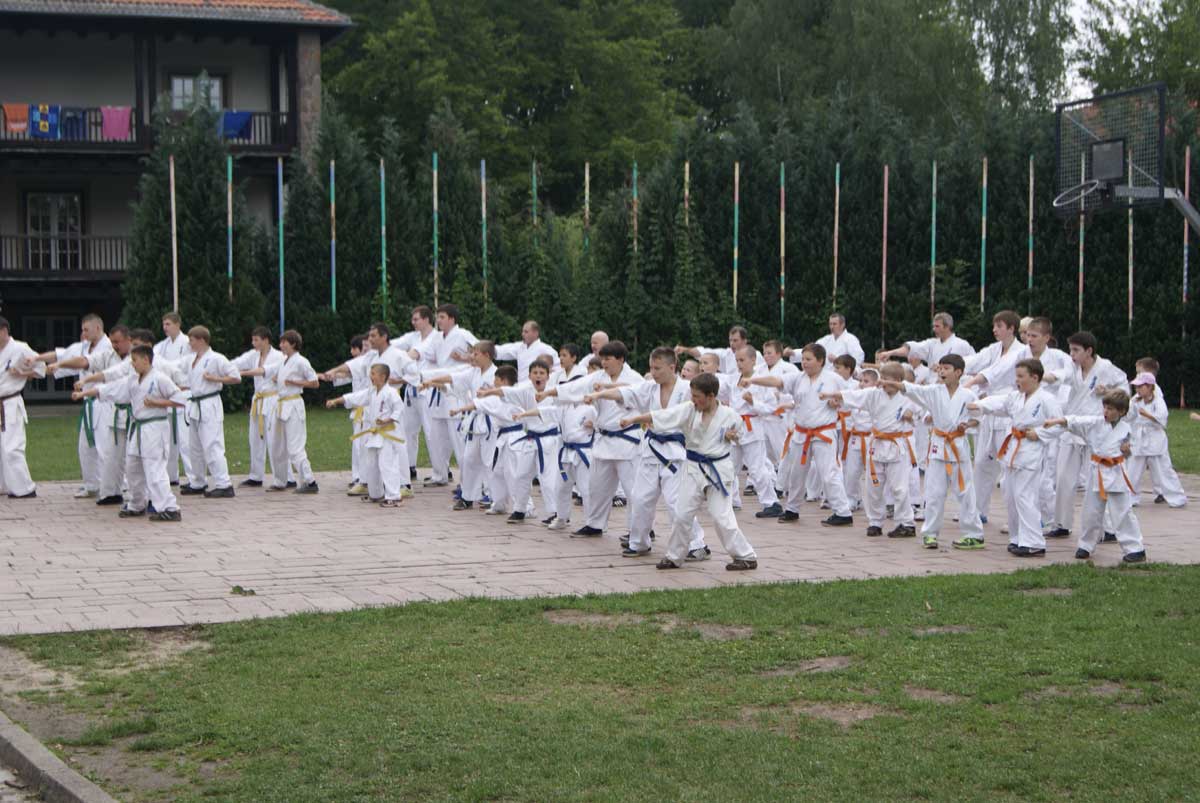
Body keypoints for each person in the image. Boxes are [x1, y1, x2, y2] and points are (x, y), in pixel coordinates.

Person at [618, 372, 759, 571]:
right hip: (692, 468)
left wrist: (732, 436)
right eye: (692, 395)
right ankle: (674, 556)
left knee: (721, 516)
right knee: (681, 514)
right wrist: (633, 419)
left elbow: (740, 435)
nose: (693, 399)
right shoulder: (689, 409)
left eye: (697, 396)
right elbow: (663, 415)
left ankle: (746, 556)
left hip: (718, 469)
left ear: (711, 396)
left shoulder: (729, 415)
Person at [584, 347, 697, 557]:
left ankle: (696, 544)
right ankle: (639, 542)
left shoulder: (688, 389)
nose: (653, 373)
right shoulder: (649, 388)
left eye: (658, 368)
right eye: (651, 368)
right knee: (640, 498)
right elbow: (623, 393)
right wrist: (598, 394)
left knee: (676, 501)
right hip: (651, 450)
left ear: (672, 367)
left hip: (676, 453)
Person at [745, 343, 854, 526]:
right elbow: (776, 381)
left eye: (808, 359)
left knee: (829, 473)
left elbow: (849, 397)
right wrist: (753, 380)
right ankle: (792, 509)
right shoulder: (797, 378)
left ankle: (843, 512)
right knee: (796, 473)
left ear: (820, 361)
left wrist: (837, 403)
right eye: (803, 359)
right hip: (801, 432)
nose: (804, 362)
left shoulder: (833, 379)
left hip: (824, 432)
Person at [73, 345, 185, 521]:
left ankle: (169, 508)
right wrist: (84, 393)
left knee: (154, 469)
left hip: (155, 428)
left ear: (146, 360)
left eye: (134, 360)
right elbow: (111, 389)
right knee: (132, 468)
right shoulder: (132, 380)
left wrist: (158, 403)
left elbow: (180, 399)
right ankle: (137, 504)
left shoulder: (160, 379)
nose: (132, 364)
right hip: (138, 428)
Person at [882, 354, 982, 549]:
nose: (942, 371)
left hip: (958, 446)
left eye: (947, 368)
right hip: (938, 447)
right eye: (940, 368)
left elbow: (977, 418)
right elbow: (913, 389)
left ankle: (974, 534)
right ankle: (930, 534)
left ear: (959, 372)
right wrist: (893, 383)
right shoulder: (934, 391)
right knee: (933, 492)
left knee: (965, 492)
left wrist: (967, 424)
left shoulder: (968, 395)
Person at [545, 340, 643, 537]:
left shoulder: (634, 378)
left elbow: (634, 390)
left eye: (608, 359)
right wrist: (549, 392)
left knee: (633, 490)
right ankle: (595, 524)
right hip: (604, 440)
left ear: (621, 359)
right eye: (602, 359)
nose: (604, 362)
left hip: (627, 441)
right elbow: (575, 387)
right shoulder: (597, 377)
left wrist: (604, 388)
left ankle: (640, 529)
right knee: (597, 487)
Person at [966, 358, 1062, 556]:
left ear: (1034, 377)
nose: (1017, 380)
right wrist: (978, 405)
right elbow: (998, 403)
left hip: (1031, 452)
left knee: (1024, 497)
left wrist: (1040, 434)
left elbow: (1059, 425)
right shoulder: (1015, 397)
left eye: (1020, 376)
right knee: (1010, 495)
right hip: (1013, 451)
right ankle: (1017, 538)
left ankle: (1034, 542)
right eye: (1016, 376)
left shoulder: (1047, 399)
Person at [1044, 391, 1146, 563]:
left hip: (1116, 473)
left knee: (1122, 512)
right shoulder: (1095, 423)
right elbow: (1075, 421)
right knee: (1091, 512)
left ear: (1121, 412)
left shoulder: (1127, 429)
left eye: (1110, 409)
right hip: (1096, 472)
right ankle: (1086, 545)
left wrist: (1127, 450)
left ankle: (1135, 548)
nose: (1105, 412)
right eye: (1104, 407)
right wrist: (1057, 421)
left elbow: (1133, 449)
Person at [1045, 332, 1128, 539]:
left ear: (1089, 351)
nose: (1072, 354)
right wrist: (1044, 375)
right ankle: (1061, 523)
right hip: (1073, 428)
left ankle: (1108, 528)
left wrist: (1108, 391)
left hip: (1096, 430)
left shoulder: (1106, 367)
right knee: (1063, 478)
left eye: (1076, 350)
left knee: (1098, 480)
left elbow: (1124, 389)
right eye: (1070, 350)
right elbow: (1060, 376)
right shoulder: (1072, 368)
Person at [820, 363, 917, 539]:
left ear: (898, 380)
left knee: (900, 488)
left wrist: (911, 415)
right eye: (882, 378)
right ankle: (875, 522)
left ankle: (906, 523)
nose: (883, 382)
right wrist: (830, 395)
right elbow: (852, 395)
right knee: (873, 487)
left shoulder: (907, 395)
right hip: (877, 444)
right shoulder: (874, 394)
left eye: (887, 379)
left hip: (896, 446)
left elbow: (919, 409)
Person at [961, 310, 1031, 528]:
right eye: (994, 326)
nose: (994, 330)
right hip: (990, 411)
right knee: (982, 463)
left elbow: (996, 370)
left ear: (1011, 328)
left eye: (999, 326)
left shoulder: (1021, 351)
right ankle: (978, 511)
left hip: (1008, 410)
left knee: (1008, 466)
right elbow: (976, 360)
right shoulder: (994, 349)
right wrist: (953, 364)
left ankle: (1017, 518)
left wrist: (970, 383)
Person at [50, 323, 132, 506]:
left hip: (128, 409)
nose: (114, 345)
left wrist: (87, 380)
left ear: (129, 340)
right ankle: (103, 488)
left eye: (118, 342)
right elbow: (85, 361)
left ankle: (127, 489)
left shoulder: (137, 357)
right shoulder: (108, 355)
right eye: (113, 342)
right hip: (107, 406)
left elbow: (111, 374)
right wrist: (60, 364)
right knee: (98, 451)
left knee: (123, 454)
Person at [36, 314, 112, 498]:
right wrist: (36, 362)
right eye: (82, 329)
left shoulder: (108, 348)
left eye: (86, 330)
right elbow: (61, 355)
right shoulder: (84, 346)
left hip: (104, 402)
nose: (83, 333)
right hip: (88, 404)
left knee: (105, 447)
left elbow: (75, 361)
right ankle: (92, 485)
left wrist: (58, 364)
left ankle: (114, 486)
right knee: (85, 447)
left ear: (98, 328)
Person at [422, 340, 498, 511]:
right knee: (468, 460)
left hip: (490, 423)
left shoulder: (496, 374)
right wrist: (431, 380)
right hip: (475, 423)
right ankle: (468, 497)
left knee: (488, 462)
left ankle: (492, 495)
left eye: (476, 354)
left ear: (486, 355)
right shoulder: (473, 372)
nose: (472, 357)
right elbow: (452, 377)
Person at [411, 304, 477, 486]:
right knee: (435, 436)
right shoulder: (437, 338)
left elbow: (483, 352)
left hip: (456, 389)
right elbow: (426, 354)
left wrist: (464, 358)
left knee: (458, 439)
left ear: (452, 319)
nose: (438, 321)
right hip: (437, 389)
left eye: (442, 317)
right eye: (438, 317)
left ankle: (468, 482)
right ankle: (440, 474)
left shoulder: (463, 334)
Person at [326, 363, 406, 507]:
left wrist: (388, 420)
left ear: (383, 376)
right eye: (371, 373)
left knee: (387, 465)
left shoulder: (391, 393)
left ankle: (394, 497)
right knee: (372, 465)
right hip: (374, 434)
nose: (371, 376)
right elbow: (355, 397)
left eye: (373, 373)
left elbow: (399, 409)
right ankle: (376, 494)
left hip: (387, 435)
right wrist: (336, 401)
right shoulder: (371, 392)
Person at [1023, 317, 1073, 531]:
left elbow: (1070, 373)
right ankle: (1031, 517)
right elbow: (998, 370)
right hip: (1026, 423)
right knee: (1021, 476)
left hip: (1048, 422)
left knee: (1046, 477)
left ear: (1046, 337)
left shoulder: (1059, 357)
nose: (1029, 340)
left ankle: (1052, 520)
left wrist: (1050, 376)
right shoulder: (1021, 355)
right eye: (1027, 335)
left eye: (1034, 336)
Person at [181, 325, 240, 498]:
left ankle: (224, 483)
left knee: (212, 445)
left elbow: (236, 376)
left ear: (201, 340)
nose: (190, 343)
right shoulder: (192, 359)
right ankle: (198, 482)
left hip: (209, 405)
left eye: (192, 340)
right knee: (194, 447)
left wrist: (215, 378)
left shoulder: (216, 358)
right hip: (195, 405)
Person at [263, 330, 319, 493]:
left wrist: (295, 382)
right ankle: (281, 480)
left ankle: (310, 481)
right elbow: (267, 371)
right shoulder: (283, 362)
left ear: (293, 344)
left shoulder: (301, 361)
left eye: (284, 342)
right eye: (280, 342)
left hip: (293, 405)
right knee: (277, 446)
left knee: (295, 447)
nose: (281, 345)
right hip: (281, 406)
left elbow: (314, 382)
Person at [232, 327, 285, 488]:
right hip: (258, 400)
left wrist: (243, 373)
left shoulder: (279, 356)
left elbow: (264, 371)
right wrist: (222, 367)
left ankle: (285, 477)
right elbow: (236, 363)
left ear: (266, 340)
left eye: (256, 340)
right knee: (254, 438)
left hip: (272, 399)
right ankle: (256, 476)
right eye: (253, 340)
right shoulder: (253, 355)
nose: (253, 343)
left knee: (274, 439)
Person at [0, 316, 46, 498]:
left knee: (12, 447)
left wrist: (22, 372)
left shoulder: (20, 348)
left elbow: (42, 369)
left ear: (4, 331)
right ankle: (4, 485)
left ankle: (24, 488)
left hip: (11, 403)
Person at [1126, 372, 1187, 508]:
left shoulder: (1158, 401)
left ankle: (1177, 497)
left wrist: (1147, 415)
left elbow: (1162, 419)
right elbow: (1128, 417)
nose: (1137, 390)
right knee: (1133, 470)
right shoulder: (1135, 400)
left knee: (1163, 470)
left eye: (1140, 387)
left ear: (1149, 387)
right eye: (1136, 387)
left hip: (1155, 438)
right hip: (1139, 439)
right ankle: (1130, 497)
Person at [155, 311, 192, 485]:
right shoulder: (161, 346)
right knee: (168, 441)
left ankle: (194, 478)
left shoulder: (187, 343)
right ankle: (171, 476)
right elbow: (153, 360)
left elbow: (185, 365)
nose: (165, 327)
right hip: (168, 395)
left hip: (184, 393)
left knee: (185, 441)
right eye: (163, 324)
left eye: (168, 324)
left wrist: (166, 367)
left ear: (178, 325)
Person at [876, 311, 976, 367]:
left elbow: (973, 364)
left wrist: (943, 367)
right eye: (933, 326)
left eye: (937, 326)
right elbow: (912, 348)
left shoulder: (962, 344)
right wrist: (890, 353)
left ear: (947, 327)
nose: (934, 329)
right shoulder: (931, 344)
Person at [676, 325, 764, 375]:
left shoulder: (756, 355)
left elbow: (763, 374)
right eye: (730, 340)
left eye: (735, 340)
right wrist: (684, 349)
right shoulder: (726, 354)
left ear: (744, 341)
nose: (731, 343)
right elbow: (702, 352)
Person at [788, 313, 865, 368]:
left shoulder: (851, 339)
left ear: (842, 325)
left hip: (843, 377)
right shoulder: (826, 339)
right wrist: (793, 353)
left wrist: (839, 361)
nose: (832, 327)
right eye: (830, 324)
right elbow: (812, 350)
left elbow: (858, 359)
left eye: (834, 324)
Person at [495, 320, 560, 383]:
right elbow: (503, 350)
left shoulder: (546, 349)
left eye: (526, 332)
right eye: (522, 331)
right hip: (521, 385)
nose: (523, 334)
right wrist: (490, 349)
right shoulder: (520, 347)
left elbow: (558, 368)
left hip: (538, 385)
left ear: (535, 333)